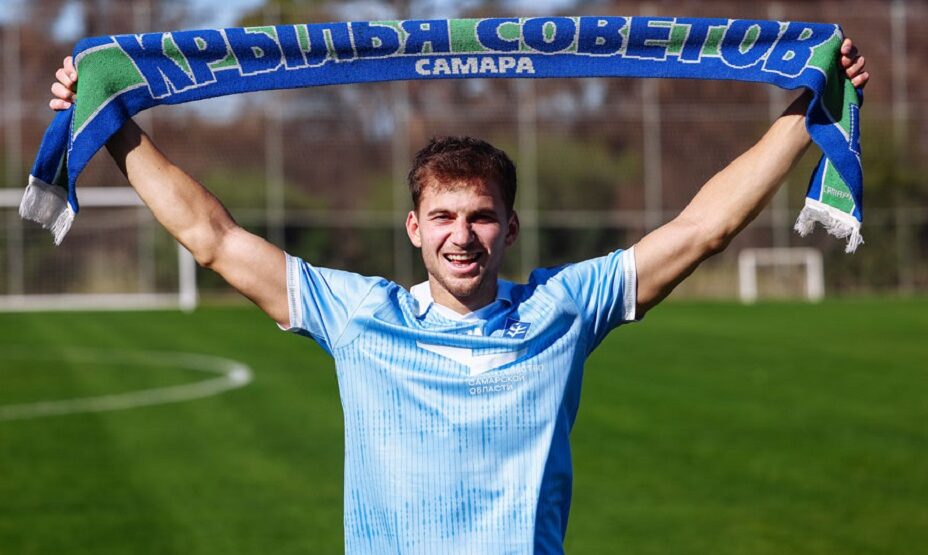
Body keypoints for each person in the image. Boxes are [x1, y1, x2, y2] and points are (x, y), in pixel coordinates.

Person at [50, 38, 867, 554]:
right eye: (443, 216)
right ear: (414, 227)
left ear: (510, 228)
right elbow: (214, 238)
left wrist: (809, 106)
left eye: (480, 216)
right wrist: (108, 120)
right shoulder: (361, 317)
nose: (461, 235)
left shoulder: (562, 310)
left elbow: (702, 229)